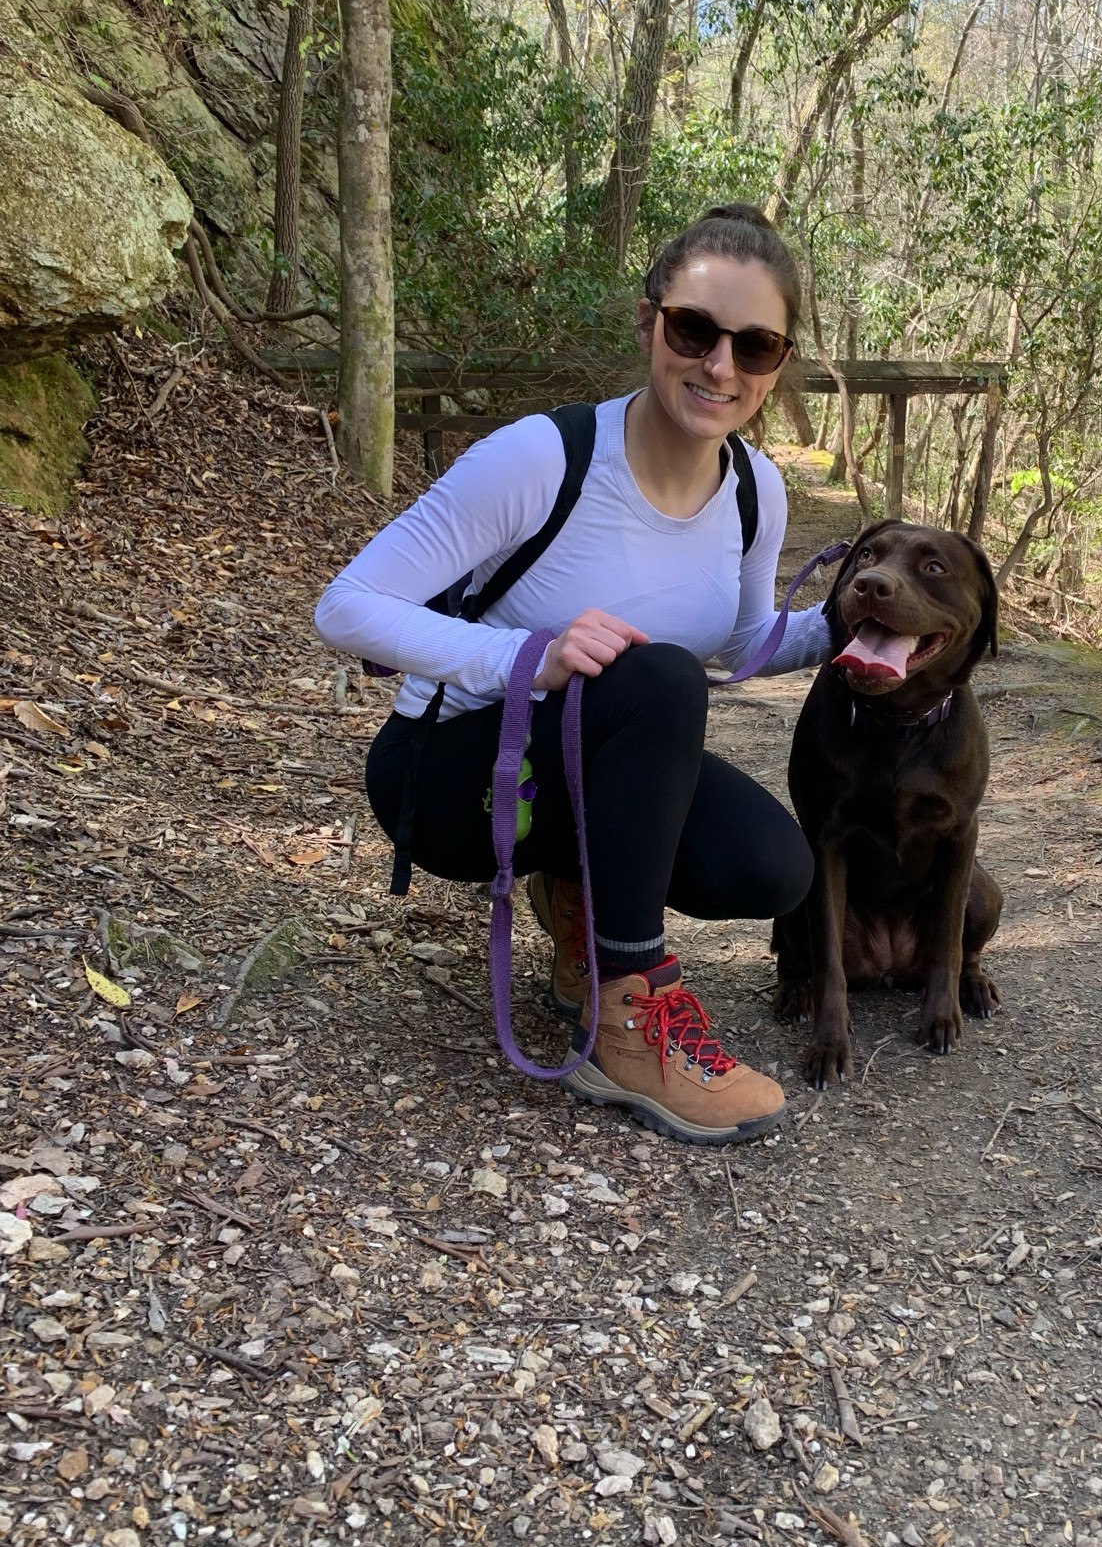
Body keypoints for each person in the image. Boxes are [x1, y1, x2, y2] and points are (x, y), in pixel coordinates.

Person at [314, 204, 830, 1145]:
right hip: (452, 778)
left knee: (773, 866)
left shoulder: (758, 488)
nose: (720, 366)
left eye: (754, 347)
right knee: (657, 681)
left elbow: (748, 640)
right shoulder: (543, 458)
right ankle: (629, 1027)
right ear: (649, 326)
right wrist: (526, 656)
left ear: (777, 364)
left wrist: (855, 627)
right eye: (694, 331)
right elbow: (346, 606)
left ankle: (576, 896)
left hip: (584, 773)